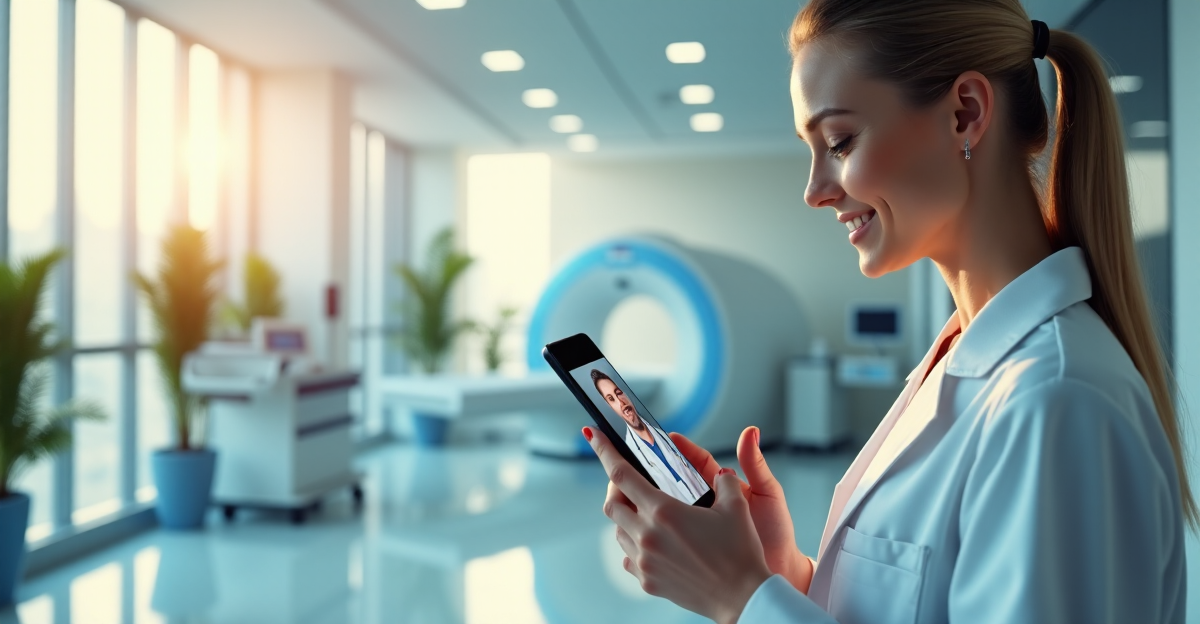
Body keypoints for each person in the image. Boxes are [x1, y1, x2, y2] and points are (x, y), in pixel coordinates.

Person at [580, 1, 1193, 623]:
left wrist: (741, 598)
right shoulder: (960, 358)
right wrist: (778, 574)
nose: (815, 189)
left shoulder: (1056, 401)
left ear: (966, 114)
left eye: (840, 141)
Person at [590, 369, 708, 503]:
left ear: (626, 394)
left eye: (619, 393)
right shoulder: (631, 455)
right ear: (610, 406)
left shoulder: (662, 435)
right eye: (611, 399)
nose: (621, 402)